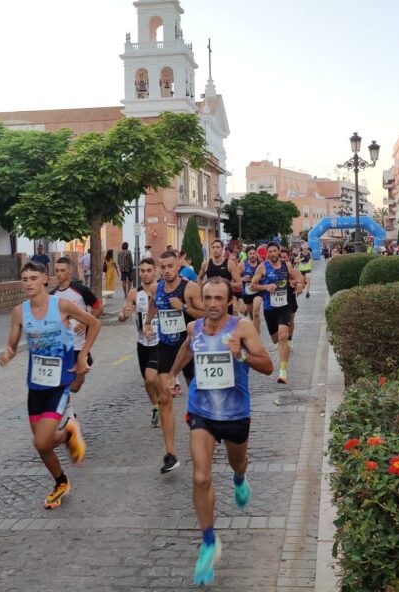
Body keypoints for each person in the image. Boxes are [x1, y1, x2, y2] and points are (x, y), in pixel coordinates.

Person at [162, 277, 273, 586]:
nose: (210, 304)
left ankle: (239, 478)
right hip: (202, 412)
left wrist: (241, 355)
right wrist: (172, 375)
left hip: (236, 413)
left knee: (238, 463)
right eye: (206, 297)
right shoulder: (194, 329)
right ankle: (209, 541)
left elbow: (267, 366)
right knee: (201, 476)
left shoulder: (242, 328)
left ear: (227, 302)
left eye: (216, 299)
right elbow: (186, 349)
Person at [0, 261, 101, 510]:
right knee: (42, 446)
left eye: (33, 278)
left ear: (45, 280)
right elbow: (12, 342)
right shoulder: (19, 312)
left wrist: (81, 355)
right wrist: (9, 351)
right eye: (25, 279)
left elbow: (94, 324)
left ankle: (68, 433)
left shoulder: (62, 306)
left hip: (60, 382)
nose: (29, 283)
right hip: (36, 385)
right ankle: (60, 481)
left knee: (42, 442)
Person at [150, 250, 206, 473]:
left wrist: (183, 307)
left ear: (178, 266)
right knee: (164, 398)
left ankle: (204, 436)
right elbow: (155, 304)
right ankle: (170, 454)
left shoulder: (189, 288)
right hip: (166, 347)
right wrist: (147, 322)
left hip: (190, 347)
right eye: (162, 267)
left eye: (170, 266)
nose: (166, 271)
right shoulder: (157, 288)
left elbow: (205, 313)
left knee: (197, 397)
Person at [250, 242, 303, 386]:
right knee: (275, 339)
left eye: (275, 251)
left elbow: (298, 278)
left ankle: (283, 371)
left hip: (284, 306)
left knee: (283, 336)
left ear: (279, 251)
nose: (273, 254)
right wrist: (266, 286)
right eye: (270, 252)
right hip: (269, 308)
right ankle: (281, 348)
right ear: (267, 253)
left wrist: (298, 284)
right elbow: (252, 286)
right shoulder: (263, 267)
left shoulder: (287, 265)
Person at [119, 257, 161, 428]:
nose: (145, 274)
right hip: (142, 342)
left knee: (151, 378)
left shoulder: (162, 290)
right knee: (147, 381)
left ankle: (163, 401)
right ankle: (156, 405)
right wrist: (124, 314)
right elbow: (122, 316)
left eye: (148, 270)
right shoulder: (134, 293)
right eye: (142, 271)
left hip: (160, 341)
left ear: (155, 271)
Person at [52, 257, 102, 394]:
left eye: (62, 270)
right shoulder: (53, 295)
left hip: (80, 345)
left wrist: (85, 323)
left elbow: (98, 308)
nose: (59, 274)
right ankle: (69, 414)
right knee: (61, 385)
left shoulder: (81, 290)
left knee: (74, 387)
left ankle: (86, 359)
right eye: (57, 270)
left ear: (69, 271)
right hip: (63, 346)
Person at [199, 239, 242, 310]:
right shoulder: (206, 264)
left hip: (225, 299)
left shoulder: (229, 263)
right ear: (210, 249)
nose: (215, 249)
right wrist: (201, 291)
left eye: (218, 247)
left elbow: (239, 283)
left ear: (222, 249)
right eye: (213, 247)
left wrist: (225, 283)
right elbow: (200, 278)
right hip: (211, 300)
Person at [239, 246, 264, 334]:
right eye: (250, 254)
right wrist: (242, 279)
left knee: (256, 312)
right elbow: (236, 277)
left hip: (259, 291)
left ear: (257, 254)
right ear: (247, 255)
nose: (252, 255)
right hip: (247, 292)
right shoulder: (243, 265)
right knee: (252, 315)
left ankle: (256, 334)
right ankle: (256, 326)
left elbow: (267, 276)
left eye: (254, 253)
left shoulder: (261, 264)